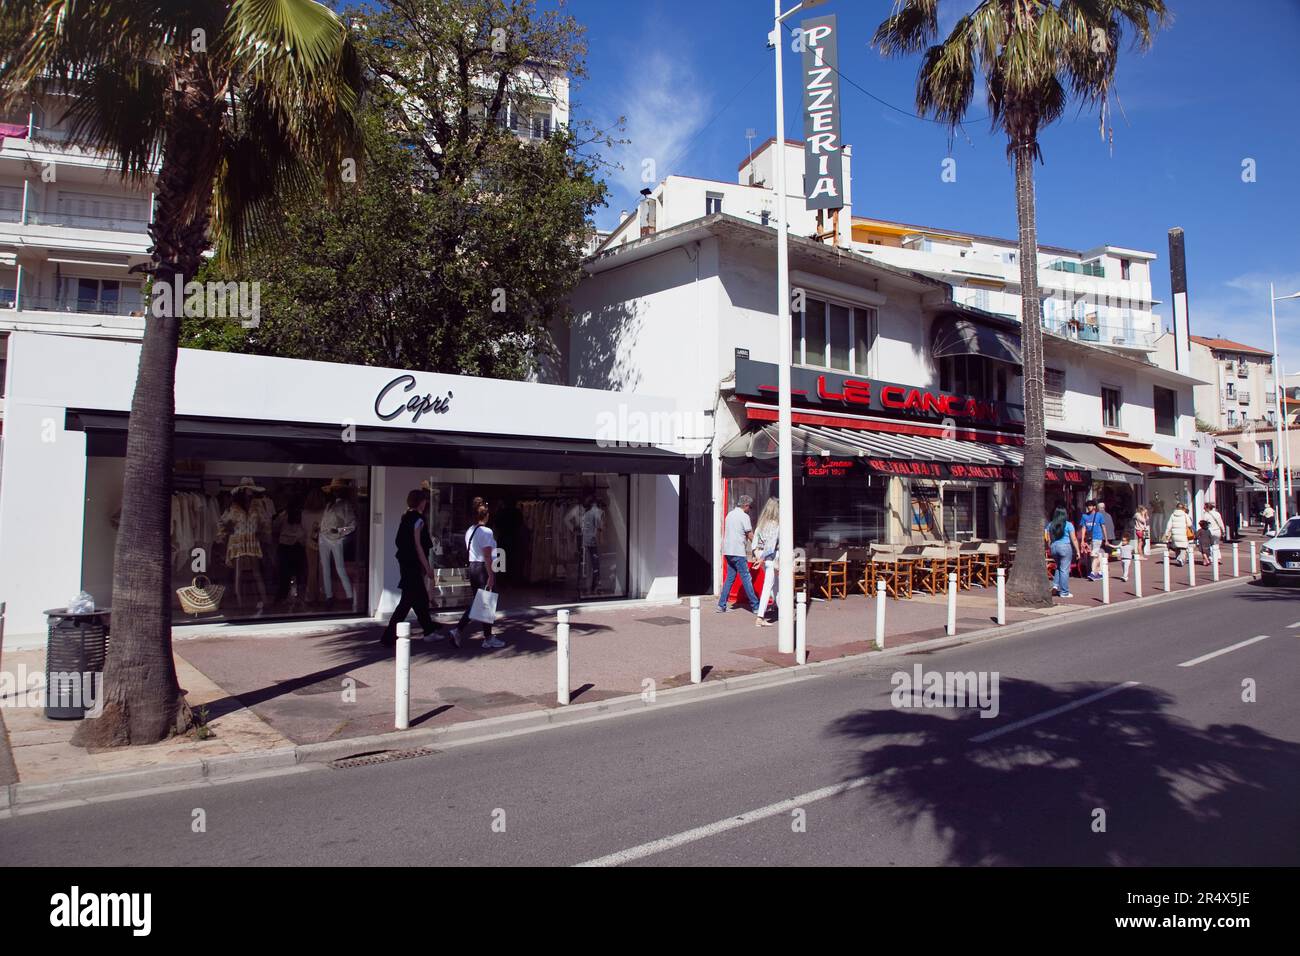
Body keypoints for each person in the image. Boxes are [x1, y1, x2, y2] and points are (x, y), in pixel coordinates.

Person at [382, 489, 445, 646]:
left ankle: (428, 629)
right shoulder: (418, 520)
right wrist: (428, 567)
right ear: (420, 502)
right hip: (413, 565)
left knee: (420, 599)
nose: (426, 503)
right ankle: (389, 636)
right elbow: (418, 546)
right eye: (424, 500)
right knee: (407, 602)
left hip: (405, 563)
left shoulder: (406, 518)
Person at [451, 502, 503, 649]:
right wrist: (491, 575)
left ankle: (488, 636)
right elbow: (487, 555)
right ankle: (458, 630)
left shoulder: (470, 530)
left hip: (473, 567)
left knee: (483, 603)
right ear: (486, 515)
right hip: (482, 568)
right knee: (483, 603)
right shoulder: (486, 532)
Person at [717, 495, 760, 614]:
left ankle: (721, 605)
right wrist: (758, 546)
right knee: (746, 578)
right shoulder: (744, 516)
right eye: (749, 507)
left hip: (728, 550)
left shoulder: (729, 515)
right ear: (745, 505)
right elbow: (749, 534)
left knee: (730, 578)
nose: (749, 509)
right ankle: (756, 606)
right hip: (738, 551)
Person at [751, 498, 780, 627]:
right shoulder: (776, 525)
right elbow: (771, 547)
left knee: (775, 585)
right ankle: (760, 616)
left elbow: (754, 545)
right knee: (768, 586)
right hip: (770, 558)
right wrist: (763, 558)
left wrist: (758, 558)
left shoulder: (761, 525)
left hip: (762, 557)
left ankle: (784, 610)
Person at [1043, 506, 1078, 599]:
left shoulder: (1050, 525)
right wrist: (1077, 551)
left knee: (1059, 567)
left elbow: (1047, 538)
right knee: (1064, 569)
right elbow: (1074, 539)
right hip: (1065, 547)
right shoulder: (1068, 525)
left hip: (1054, 547)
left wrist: (1050, 546)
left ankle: (1055, 586)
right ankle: (1064, 592)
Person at [1079, 500, 1107, 581]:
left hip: (1098, 537)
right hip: (1089, 539)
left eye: (1091, 505)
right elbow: (1083, 528)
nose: (1089, 507)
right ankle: (1099, 572)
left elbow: (1103, 526)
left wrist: (1106, 539)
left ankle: (1093, 573)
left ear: (1094, 506)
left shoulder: (1099, 515)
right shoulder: (1084, 516)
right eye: (1088, 506)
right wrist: (1082, 540)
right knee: (1094, 556)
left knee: (1093, 554)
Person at [1164, 501, 1192, 566]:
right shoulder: (1185, 515)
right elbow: (1189, 524)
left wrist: (1167, 533)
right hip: (1183, 534)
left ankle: (1178, 559)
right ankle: (1181, 558)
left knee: (1177, 547)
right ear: (1183, 508)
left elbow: (1169, 525)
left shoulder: (1173, 515)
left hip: (1175, 534)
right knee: (1183, 548)